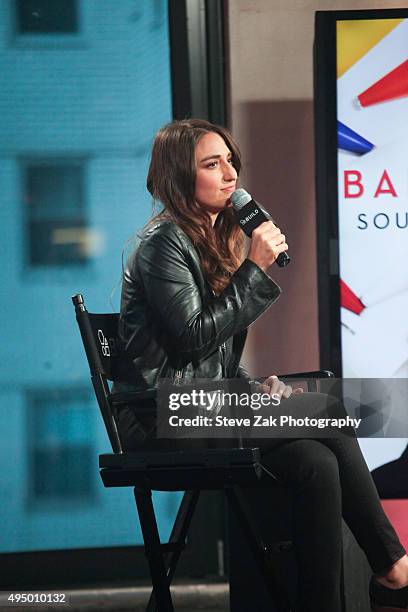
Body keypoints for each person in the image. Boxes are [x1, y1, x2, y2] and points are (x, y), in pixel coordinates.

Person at [115, 118, 408, 611]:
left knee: (315, 461)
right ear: (178, 177)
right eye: (212, 164)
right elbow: (190, 339)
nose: (231, 174)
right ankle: (394, 570)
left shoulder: (208, 243)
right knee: (331, 408)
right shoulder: (163, 242)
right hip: (161, 416)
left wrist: (252, 389)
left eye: (231, 160)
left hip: (204, 407)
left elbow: (212, 356)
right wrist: (255, 268)